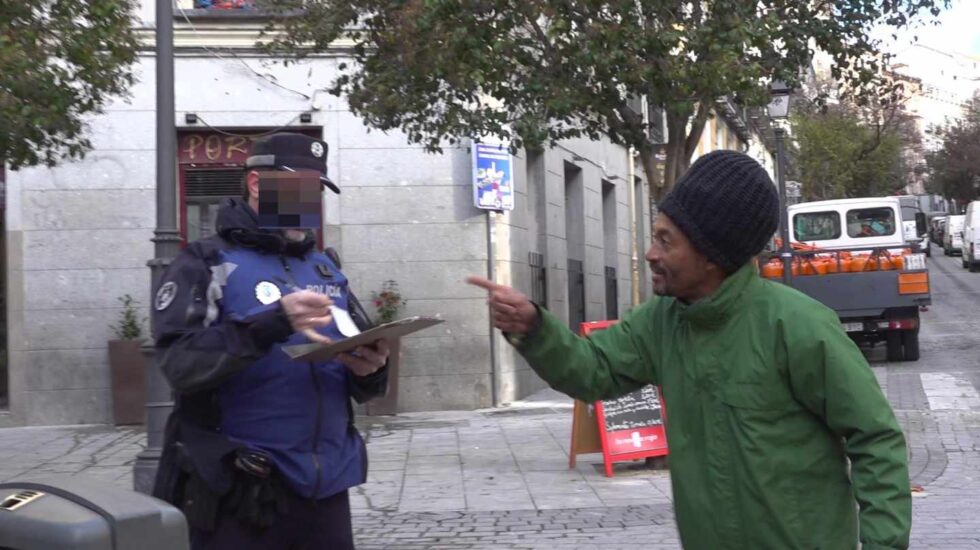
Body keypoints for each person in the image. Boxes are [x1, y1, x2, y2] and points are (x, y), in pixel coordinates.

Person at [468, 150, 911, 549]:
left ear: (712, 254)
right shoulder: (662, 320)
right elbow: (593, 369)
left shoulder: (798, 326)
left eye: (666, 240)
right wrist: (535, 328)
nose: (649, 253)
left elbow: (875, 438)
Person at [151, 132, 389, 549]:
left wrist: (371, 370)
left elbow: (354, 354)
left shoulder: (325, 267)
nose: (309, 204)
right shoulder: (206, 262)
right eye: (299, 189)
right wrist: (271, 324)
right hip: (242, 488)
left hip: (326, 486)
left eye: (316, 191)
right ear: (258, 184)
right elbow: (179, 364)